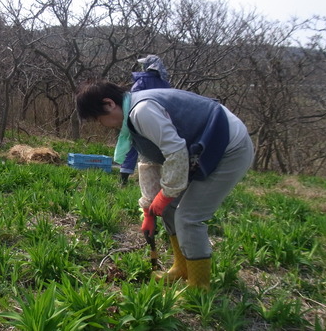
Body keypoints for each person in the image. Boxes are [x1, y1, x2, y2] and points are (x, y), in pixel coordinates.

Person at [76, 80, 254, 290]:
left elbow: (176, 152)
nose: (102, 125)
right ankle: (182, 268)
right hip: (200, 150)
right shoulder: (132, 117)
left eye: (99, 119)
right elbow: (148, 160)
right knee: (169, 210)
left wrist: (166, 193)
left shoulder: (142, 111)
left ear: (109, 104)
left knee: (189, 217)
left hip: (227, 148)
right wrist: (149, 208)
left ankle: (199, 286)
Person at [119, 55, 171, 185]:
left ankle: (123, 178)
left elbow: (133, 98)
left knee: (133, 145)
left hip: (140, 117)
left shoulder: (142, 81)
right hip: (159, 121)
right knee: (157, 149)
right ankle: (158, 180)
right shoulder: (165, 84)